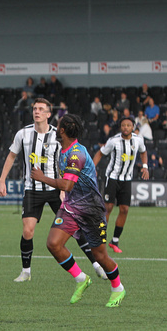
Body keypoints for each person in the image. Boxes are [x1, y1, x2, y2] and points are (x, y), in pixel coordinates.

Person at [0, 98, 106, 282]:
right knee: (28, 231)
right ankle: (26, 271)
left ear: (49, 114)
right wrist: (2, 180)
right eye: (34, 109)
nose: (36, 112)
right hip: (32, 189)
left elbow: (64, 161)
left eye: (41, 109)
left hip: (56, 188)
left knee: (77, 228)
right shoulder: (22, 134)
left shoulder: (58, 135)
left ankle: (96, 265)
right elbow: (11, 156)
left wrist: (64, 188)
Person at [30, 114, 126, 307]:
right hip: (72, 207)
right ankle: (81, 279)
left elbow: (67, 184)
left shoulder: (76, 154)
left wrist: (42, 178)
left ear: (63, 130)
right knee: (53, 244)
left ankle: (118, 288)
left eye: (58, 126)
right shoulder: (64, 150)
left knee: (100, 255)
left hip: (91, 209)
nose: (56, 128)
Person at [93, 115, 148, 253]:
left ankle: (115, 240)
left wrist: (145, 166)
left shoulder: (138, 140)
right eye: (123, 125)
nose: (126, 127)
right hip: (112, 178)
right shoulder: (114, 141)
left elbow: (143, 151)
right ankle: (101, 238)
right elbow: (100, 153)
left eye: (128, 125)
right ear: (120, 127)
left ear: (133, 127)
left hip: (127, 179)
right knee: (108, 207)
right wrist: (92, 168)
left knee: (124, 209)